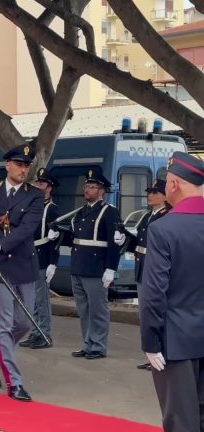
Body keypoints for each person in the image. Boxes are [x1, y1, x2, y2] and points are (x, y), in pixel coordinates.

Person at [140, 152, 204, 432]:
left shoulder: (164, 229)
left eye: (166, 182)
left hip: (176, 341)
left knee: (181, 421)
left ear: (175, 184)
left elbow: (154, 293)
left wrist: (151, 342)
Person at [0, 144, 43, 403]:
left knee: (24, 323)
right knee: (3, 325)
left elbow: (27, 228)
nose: (23, 169)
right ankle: (15, 382)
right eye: (19, 164)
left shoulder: (34, 195)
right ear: (7, 165)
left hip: (23, 263)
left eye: (26, 165)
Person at [56, 168, 121, 360]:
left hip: (96, 268)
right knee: (83, 310)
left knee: (98, 310)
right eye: (86, 186)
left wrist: (111, 268)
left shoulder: (109, 212)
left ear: (101, 191)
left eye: (92, 187)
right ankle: (87, 343)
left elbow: (114, 243)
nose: (87, 190)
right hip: (79, 267)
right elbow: (77, 239)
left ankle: (98, 346)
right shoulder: (81, 211)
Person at [115, 179, 171, 370]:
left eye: (155, 192)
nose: (150, 195)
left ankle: (161, 353)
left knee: (156, 313)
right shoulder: (148, 216)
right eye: (149, 191)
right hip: (142, 268)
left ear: (165, 196)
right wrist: (126, 238)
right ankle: (151, 354)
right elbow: (140, 243)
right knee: (146, 314)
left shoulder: (167, 216)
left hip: (154, 270)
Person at [19, 168, 60, 350]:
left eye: (42, 183)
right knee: (32, 300)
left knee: (41, 300)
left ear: (49, 189)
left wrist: (53, 262)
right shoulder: (33, 206)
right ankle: (36, 332)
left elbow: (56, 240)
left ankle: (44, 334)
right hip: (29, 256)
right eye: (37, 182)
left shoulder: (52, 210)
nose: (38, 185)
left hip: (43, 257)